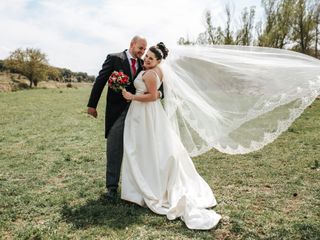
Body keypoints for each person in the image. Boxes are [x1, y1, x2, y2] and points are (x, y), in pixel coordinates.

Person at [121, 42, 221, 230]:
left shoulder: (150, 73)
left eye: (151, 58)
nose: (147, 59)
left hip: (144, 113)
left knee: (140, 147)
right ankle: (142, 184)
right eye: (146, 56)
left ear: (158, 61)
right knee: (149, 146)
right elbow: (157, 94)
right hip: (149, 113)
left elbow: (151, 95)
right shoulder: (157, 71)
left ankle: (143, 187)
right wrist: (155, 94)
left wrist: (131, 96)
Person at [87, 36, 148, 200]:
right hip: (117, 112)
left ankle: (139, 185)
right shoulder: (114, 58)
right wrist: (92, 105)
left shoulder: (144, 64)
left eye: (144, 49)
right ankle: (111, 187)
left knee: (139, 148)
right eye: (140, 48)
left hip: (138, 111)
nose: (142, 52)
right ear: (132, 44)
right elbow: (100, 81)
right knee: (114, 148)